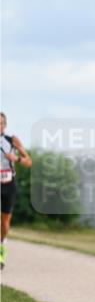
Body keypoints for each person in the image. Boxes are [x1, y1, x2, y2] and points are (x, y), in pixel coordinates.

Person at [1, 112, 32, 269]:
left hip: (8, 184)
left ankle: (2, 245)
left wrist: (17, 159)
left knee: (5, 222)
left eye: (0, 123)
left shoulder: (11, 141)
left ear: (5, 125)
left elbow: (28, 161)